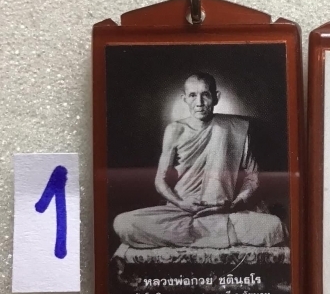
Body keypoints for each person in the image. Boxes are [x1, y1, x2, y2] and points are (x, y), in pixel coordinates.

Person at [114, 72, 285, 250]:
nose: (199, 102)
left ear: (216, 97)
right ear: (184, 99)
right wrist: (181, 203)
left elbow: (252, 177)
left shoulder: (235, 128)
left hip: (223, 211)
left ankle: (195, 234)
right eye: (192, 95)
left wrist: (235, 203)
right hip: (180, 211)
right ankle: (214, 235)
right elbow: (160, 181)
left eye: (205, 95)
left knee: (275, 227)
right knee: (123, 223)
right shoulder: (175, 130)